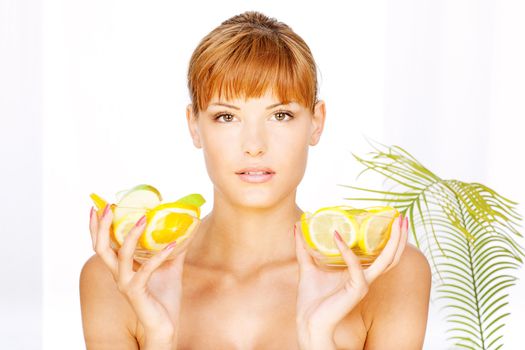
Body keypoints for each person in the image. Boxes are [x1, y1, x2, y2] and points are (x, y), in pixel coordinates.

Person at [80, 10, 431, 349]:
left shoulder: (390, 276)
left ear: (316, 121)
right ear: (193, 125)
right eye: (226, 117)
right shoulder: (117, 279)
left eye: (280, 114)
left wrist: (317, 337)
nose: (254, 146)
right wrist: (160, 337)